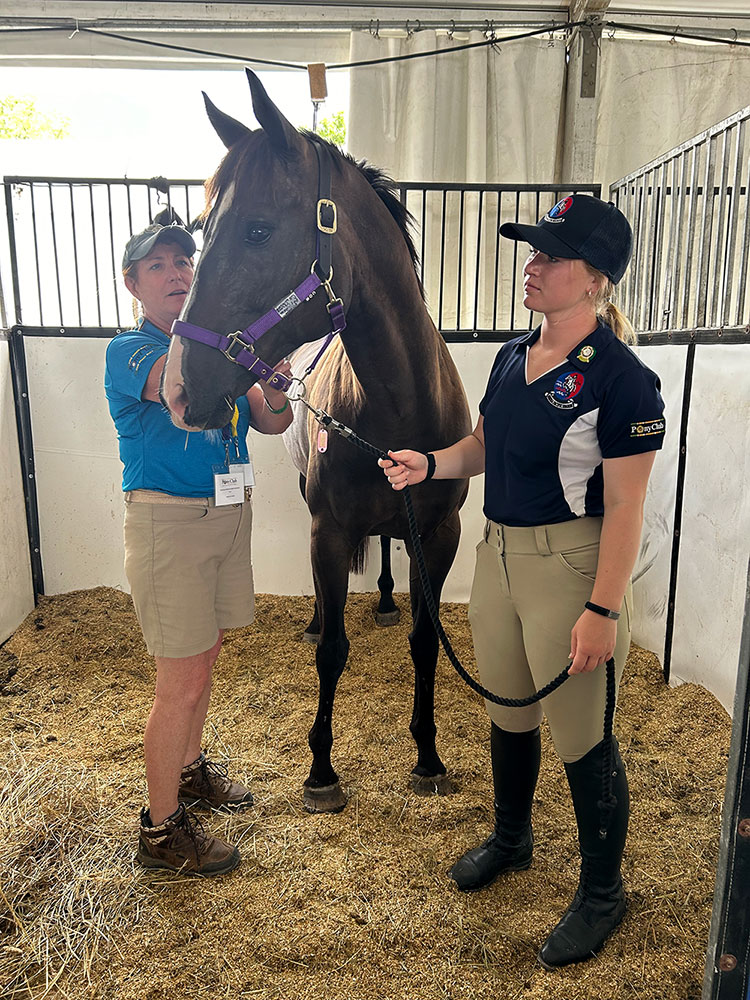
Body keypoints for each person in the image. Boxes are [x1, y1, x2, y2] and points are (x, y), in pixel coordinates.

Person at [379, 195, 665, 967]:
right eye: (532, 253)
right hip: (499, 559)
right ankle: (513, 838)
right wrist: (432, 463)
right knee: (508, 709)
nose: (532, 266)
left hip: (573, 566)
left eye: (552, 257)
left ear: (598, 281)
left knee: (583, 735)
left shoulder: (622, 380)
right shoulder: (513, 355)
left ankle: (602, 893)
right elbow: (483, 442)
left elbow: (629, 506)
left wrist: (602, 608)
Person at [104, 220, 293, 876]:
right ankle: (159, 833)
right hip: (170, 526)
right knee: (178, 683)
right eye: (157, 266)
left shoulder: (219, 352)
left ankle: (189, 773)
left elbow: (275, 420)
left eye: (185, 261)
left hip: (227, 512)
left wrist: (275, 380)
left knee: (205, 659)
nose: (177, 273)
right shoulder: (131, 350)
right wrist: (233, 335)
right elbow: (183, 389)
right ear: (132, 283)